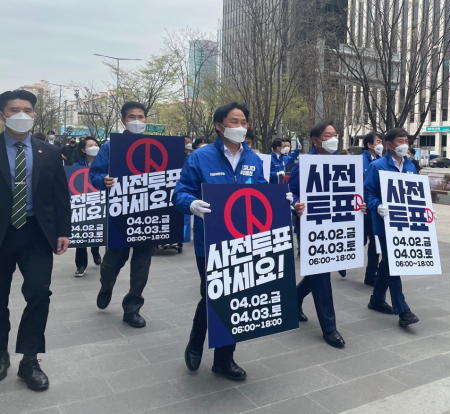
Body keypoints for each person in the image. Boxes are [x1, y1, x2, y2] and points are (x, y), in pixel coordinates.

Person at [172, 102, 267, 381]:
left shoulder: (254, 159)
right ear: (219, 125)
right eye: (234, 121)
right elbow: (180, 193)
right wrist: (191, 205)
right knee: (212, 295)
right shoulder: (200, 158)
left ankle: (224, 359)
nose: (240, 127)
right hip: (210, 241)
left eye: (244, 123)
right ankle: (195, 341)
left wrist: (281, 202)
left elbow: (261, 193)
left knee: (235, 296)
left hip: (245, 240)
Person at [0, 90, 70, 392]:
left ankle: (30, 359)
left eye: (27, 109)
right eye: (14, 109)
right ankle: (1, 353)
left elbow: (60, 196)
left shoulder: (49, 152)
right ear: (2, 114)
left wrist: (64, 231)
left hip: (37, 234)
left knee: (39, 294)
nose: (21, 114)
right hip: (2, 234)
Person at [90, 101, 152, 329]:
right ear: (124, 120)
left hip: (148, 212)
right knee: (112, 262)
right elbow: (94, 173)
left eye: (141, 116)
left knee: (142, 264)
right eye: (132, 117)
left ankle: (132, 307)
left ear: (146, 119)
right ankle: (106, 286)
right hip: (120, 213)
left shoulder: (157, 145)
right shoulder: (110, 147)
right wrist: (102, 181)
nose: (137, 121)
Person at [290, 121, 347, 348]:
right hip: (310, 226)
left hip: (334, 225)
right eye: (328, 135)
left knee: (318, 269)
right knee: (321, 275)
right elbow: (291, 191)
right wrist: (295, 204)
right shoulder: (303, 164)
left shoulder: (342, 163)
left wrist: (359, 206)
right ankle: (329, 327)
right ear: (315, 140)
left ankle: (293, 299)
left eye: (335, 134)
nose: (334, 138)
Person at [364, 128, 420, 327]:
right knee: (394, 263)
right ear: (389, 144)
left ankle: (376, 300)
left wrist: (425, 212)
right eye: (400, 141)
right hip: (385, 222)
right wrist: (377, 206)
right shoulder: (377, 166)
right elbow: (367, 192)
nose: (405, 144)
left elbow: (415, 193)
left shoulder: (411, 166)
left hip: (405, 223)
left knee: (388, 263)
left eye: (406, 140)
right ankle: (403, 310)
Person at [73, 137, 102, 276]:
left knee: (96, 230)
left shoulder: (104, 164)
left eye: (96, 144)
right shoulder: (77, 166)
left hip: (99, 203)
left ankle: (95, 253)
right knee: (82, 235)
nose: (94, 147)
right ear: (83, 150)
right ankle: (81, 265)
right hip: (82, 203)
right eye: (90, 145)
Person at [361, 131, 383, 286]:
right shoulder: (361, 161)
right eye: (377, 141)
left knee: (375, 244)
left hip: (375, 210)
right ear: (369, 145)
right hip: (362, 209)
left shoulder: (381, 161)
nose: (380, 144)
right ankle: (341, 261)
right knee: (359, 240)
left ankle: (370, 275)